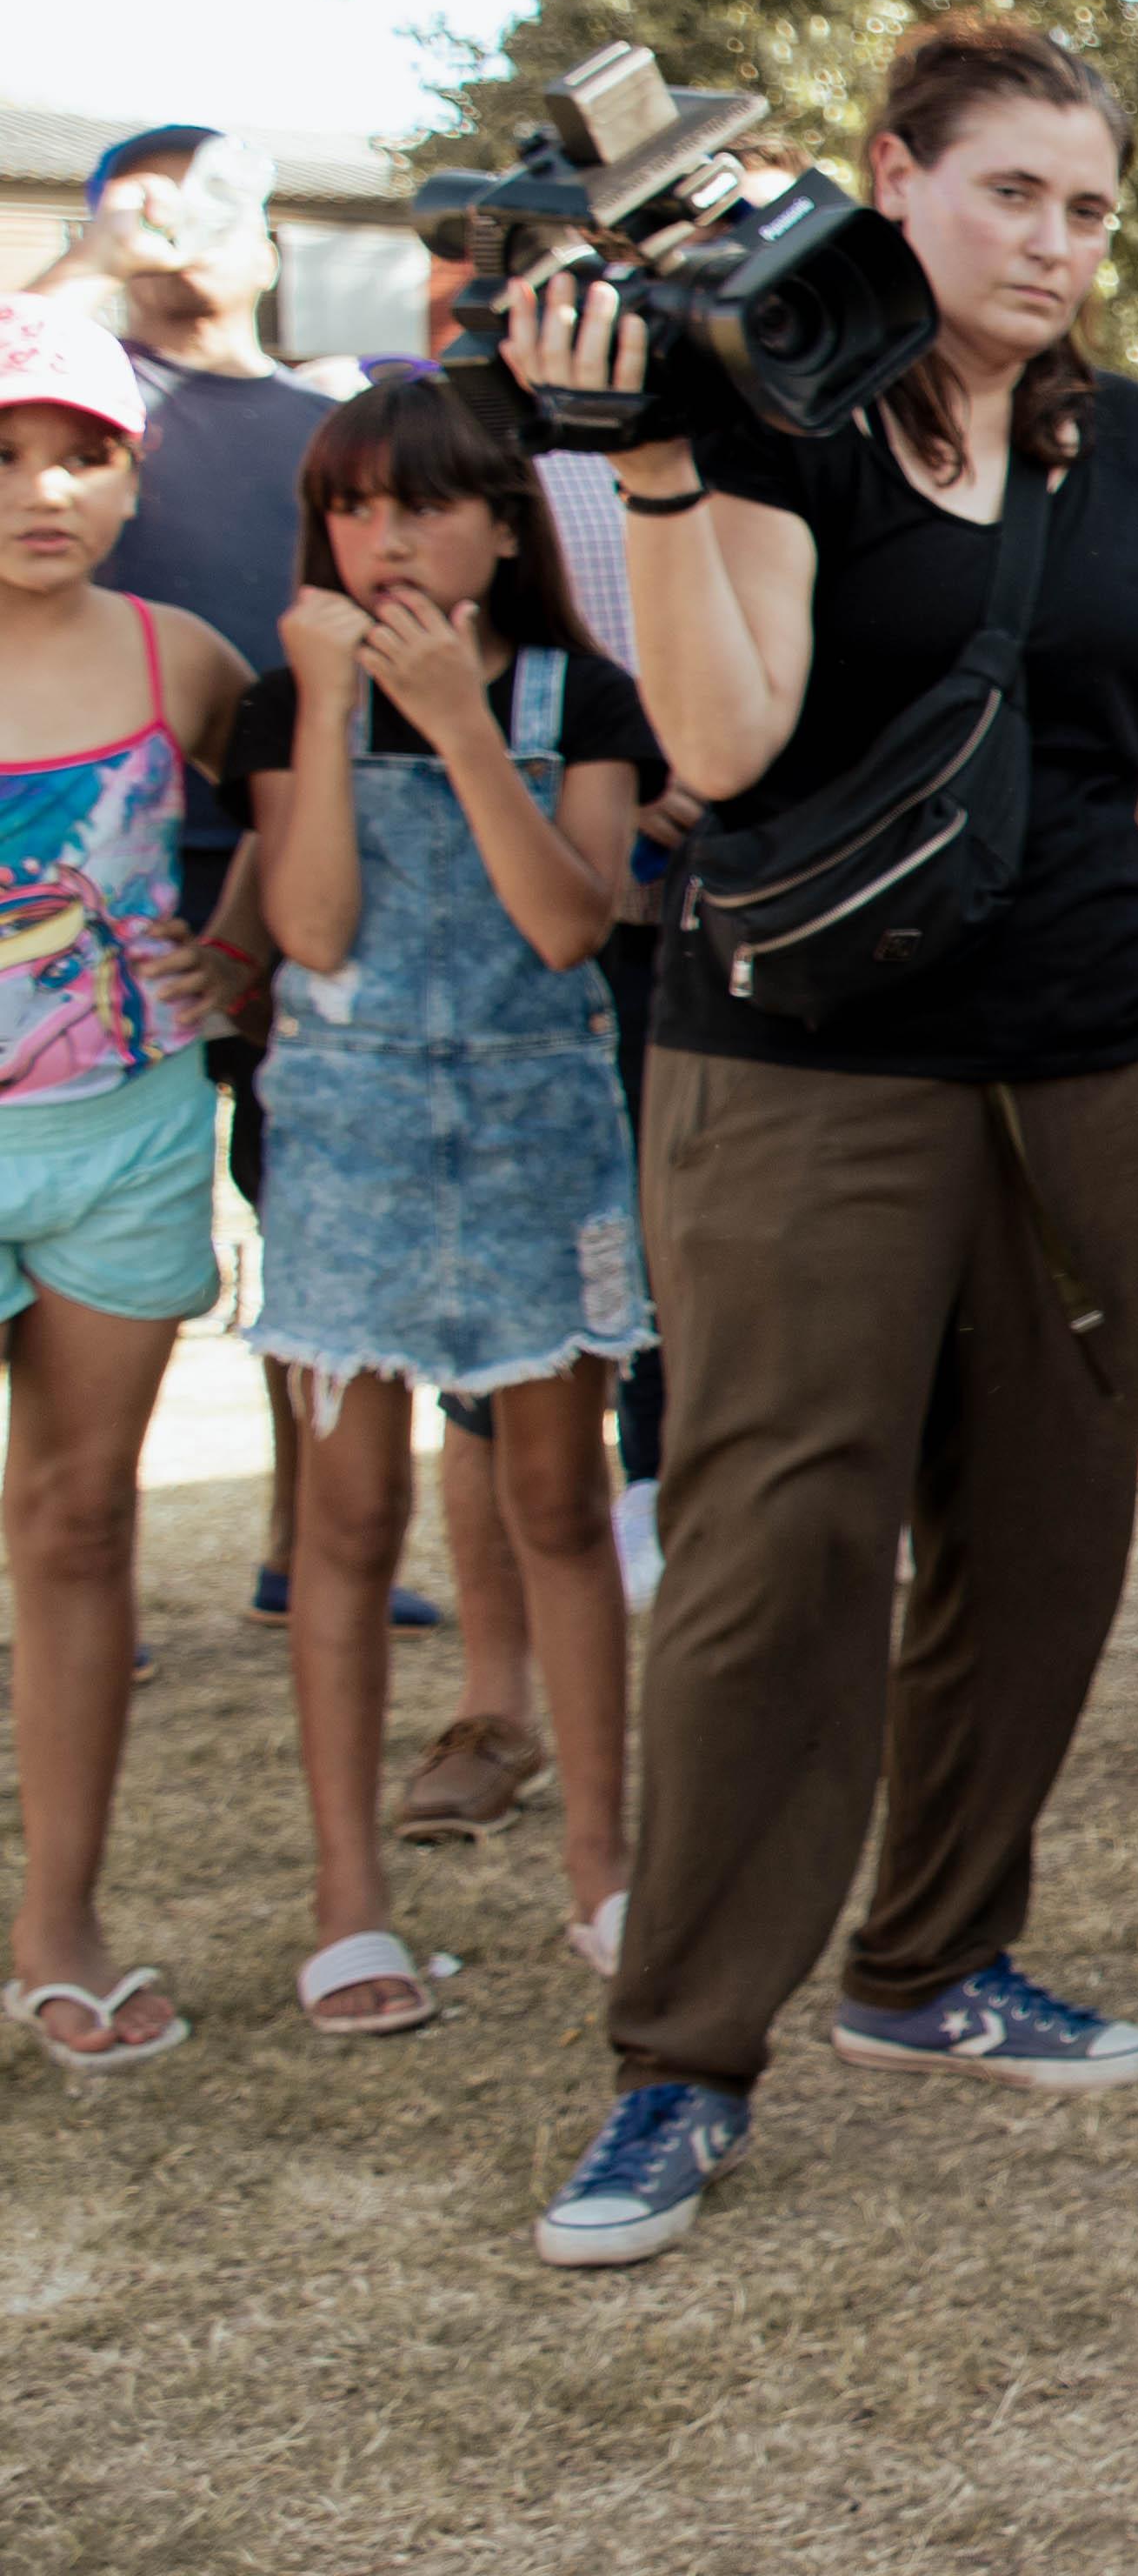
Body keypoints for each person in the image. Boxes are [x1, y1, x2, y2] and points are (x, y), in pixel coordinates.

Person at [525, 12, 1138, 2269]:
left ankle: (936, 1963)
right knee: (779, 1549)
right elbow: (731, 743)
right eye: (1009, 195)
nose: (1053, 243)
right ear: (890, 180)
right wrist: (652, 467)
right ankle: (679, 2062)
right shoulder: (763, 416)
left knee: (1047, 1532)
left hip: (1082, 1058)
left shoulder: (1127, 445)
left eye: (1087, 209)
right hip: (803, 1071)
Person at [233, 379, 660, 2028]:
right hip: (347, 1139)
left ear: (503, 524)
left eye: (421, 506)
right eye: (352, 509)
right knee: (346, 1525)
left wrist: (472, 737)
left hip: (541, 1129)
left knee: (558, 1504)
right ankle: (352, 1902)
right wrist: (339, 719)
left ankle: (606, 1870)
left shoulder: (587, 696)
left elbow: (572, 921)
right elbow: (314, 930)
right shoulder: (285, 705)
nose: (385, 540)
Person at [30, 130, 436, 1637]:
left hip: (284, 885)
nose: (190, 234)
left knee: (302, 1212)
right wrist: (95, 265)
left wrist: (257, 917)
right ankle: (81, 1588)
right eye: (150, 204)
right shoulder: (78, 410)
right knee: (74, 1277)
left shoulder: (325, 428)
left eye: (219, 205)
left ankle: (305, 1548)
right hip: (72, 925)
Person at [0, 295, 249, 2073]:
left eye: (79, 452)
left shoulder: (187, 658)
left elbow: (307, 799)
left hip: (126, 1138)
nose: (40, 488)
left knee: (81, 1521)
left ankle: (60, 1917)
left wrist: (232, 951)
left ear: (131, 469)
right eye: (3, 455)